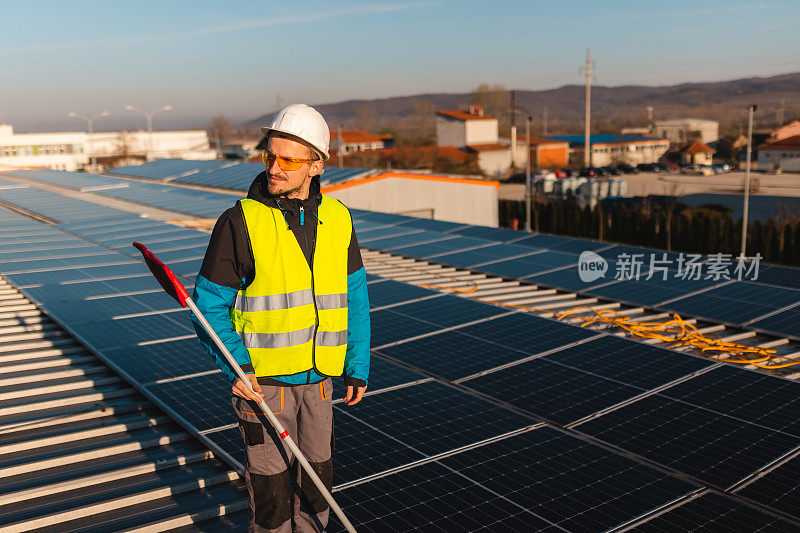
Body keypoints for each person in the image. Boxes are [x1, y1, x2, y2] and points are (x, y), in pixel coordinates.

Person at [191, 103, 370, 533]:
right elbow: (207, 305)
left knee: (317, 493)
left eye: (288, 159)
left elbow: (355, 298)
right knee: (271, 502)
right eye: (269, 156)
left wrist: (357, 366)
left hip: (320, 386)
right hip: (263, 389)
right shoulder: (239, 222)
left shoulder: (338, 219)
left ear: (317, 165)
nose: (274, 167)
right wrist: (238, 366)